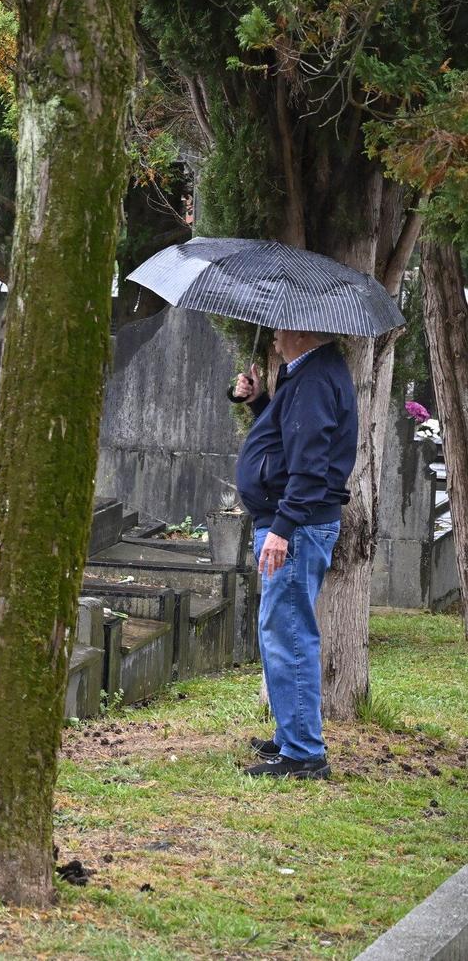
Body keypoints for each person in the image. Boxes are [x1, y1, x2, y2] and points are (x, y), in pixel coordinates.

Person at [229, 326, 355, 779]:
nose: (275, 337)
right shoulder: (305, 375)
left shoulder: (315, 378)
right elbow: (288, 440)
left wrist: (284, 527)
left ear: (303, 331)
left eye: (283, 329)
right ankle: (291, 735)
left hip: (295, 528)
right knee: (281, 628)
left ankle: (303, 752)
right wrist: (260, 401)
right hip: (291, 524)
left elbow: (310, 465)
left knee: (290, 633)